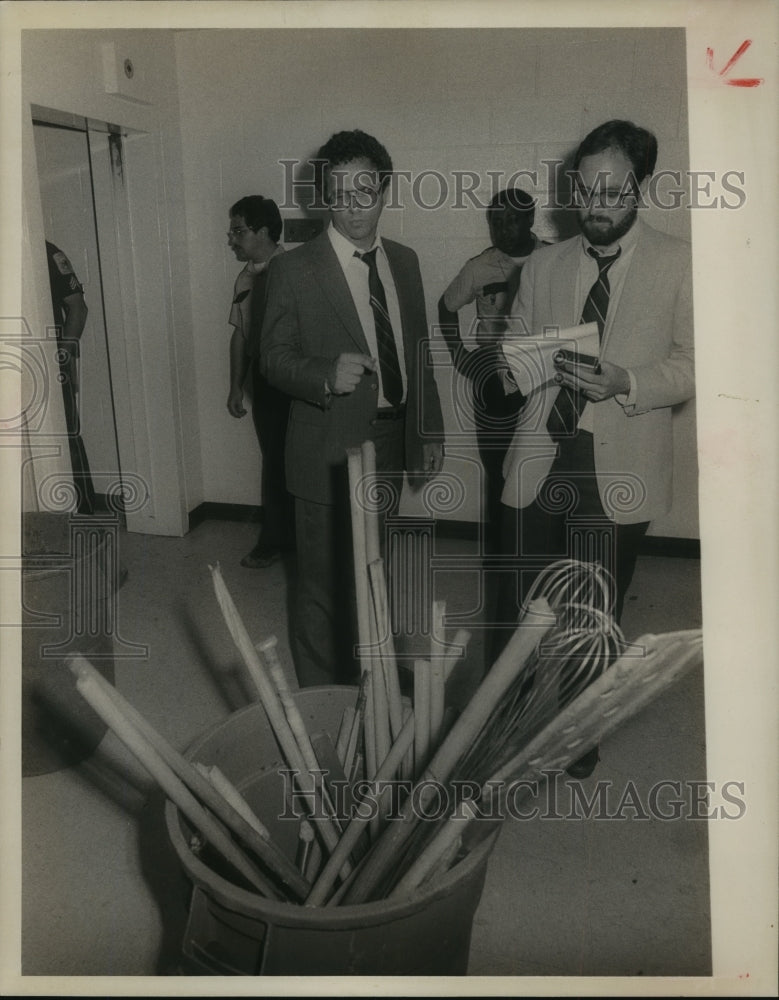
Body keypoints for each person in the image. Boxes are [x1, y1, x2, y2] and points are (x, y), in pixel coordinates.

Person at [498, 120, 695, 776]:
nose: (595, 202)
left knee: (590, 603)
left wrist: (626, 382)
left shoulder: (679, 261)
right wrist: (518, 364)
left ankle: (575, 734)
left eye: (611, 188)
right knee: (528, 599)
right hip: (539, 450)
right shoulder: (544, 263)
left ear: (640, 186)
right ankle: (522, 720)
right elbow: (513, 343)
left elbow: (695, 364)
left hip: (619, 461)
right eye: (584, 188)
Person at [261, 129, 444, 688]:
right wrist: (323, 373)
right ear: (323, 197)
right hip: (324, 447)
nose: (353, 205)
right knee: (319, 584)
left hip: (388, 440)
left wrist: (428, 429)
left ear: (385, 191)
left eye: (366, 190)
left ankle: (371, 682)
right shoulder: (292, 270)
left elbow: (417, 350)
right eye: (339, 193)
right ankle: (322, 701)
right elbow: (271, 357)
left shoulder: (406, 262)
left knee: (374, 570)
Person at [438, 188, 546, 552]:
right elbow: (446, 305)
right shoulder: (479, 266)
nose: (501, 229)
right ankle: (500, 550)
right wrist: (459, 354)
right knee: (498, 464)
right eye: (494, 221)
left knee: (540, 462)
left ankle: (535, 546)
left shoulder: (553, 259)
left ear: (530, 219)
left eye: (510, 220)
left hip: (542, 378)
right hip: (494, 379)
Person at [225, 195, 294, 568]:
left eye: (239, 231)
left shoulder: (296, 269)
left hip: (295, 382)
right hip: (262, 381)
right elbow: (239, 335)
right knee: (274, 462)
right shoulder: (245, 276)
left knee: (297, 461)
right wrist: (236, 386)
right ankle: (274, 539)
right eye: (232, 231)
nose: (232, 239)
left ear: (263, 231)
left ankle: (302, 540)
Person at [45, 240, 96, 515]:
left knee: (66, 435)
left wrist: (62, 360)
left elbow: (78, 308)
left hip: (46, 360)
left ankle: (85, 515)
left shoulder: (46, 252)